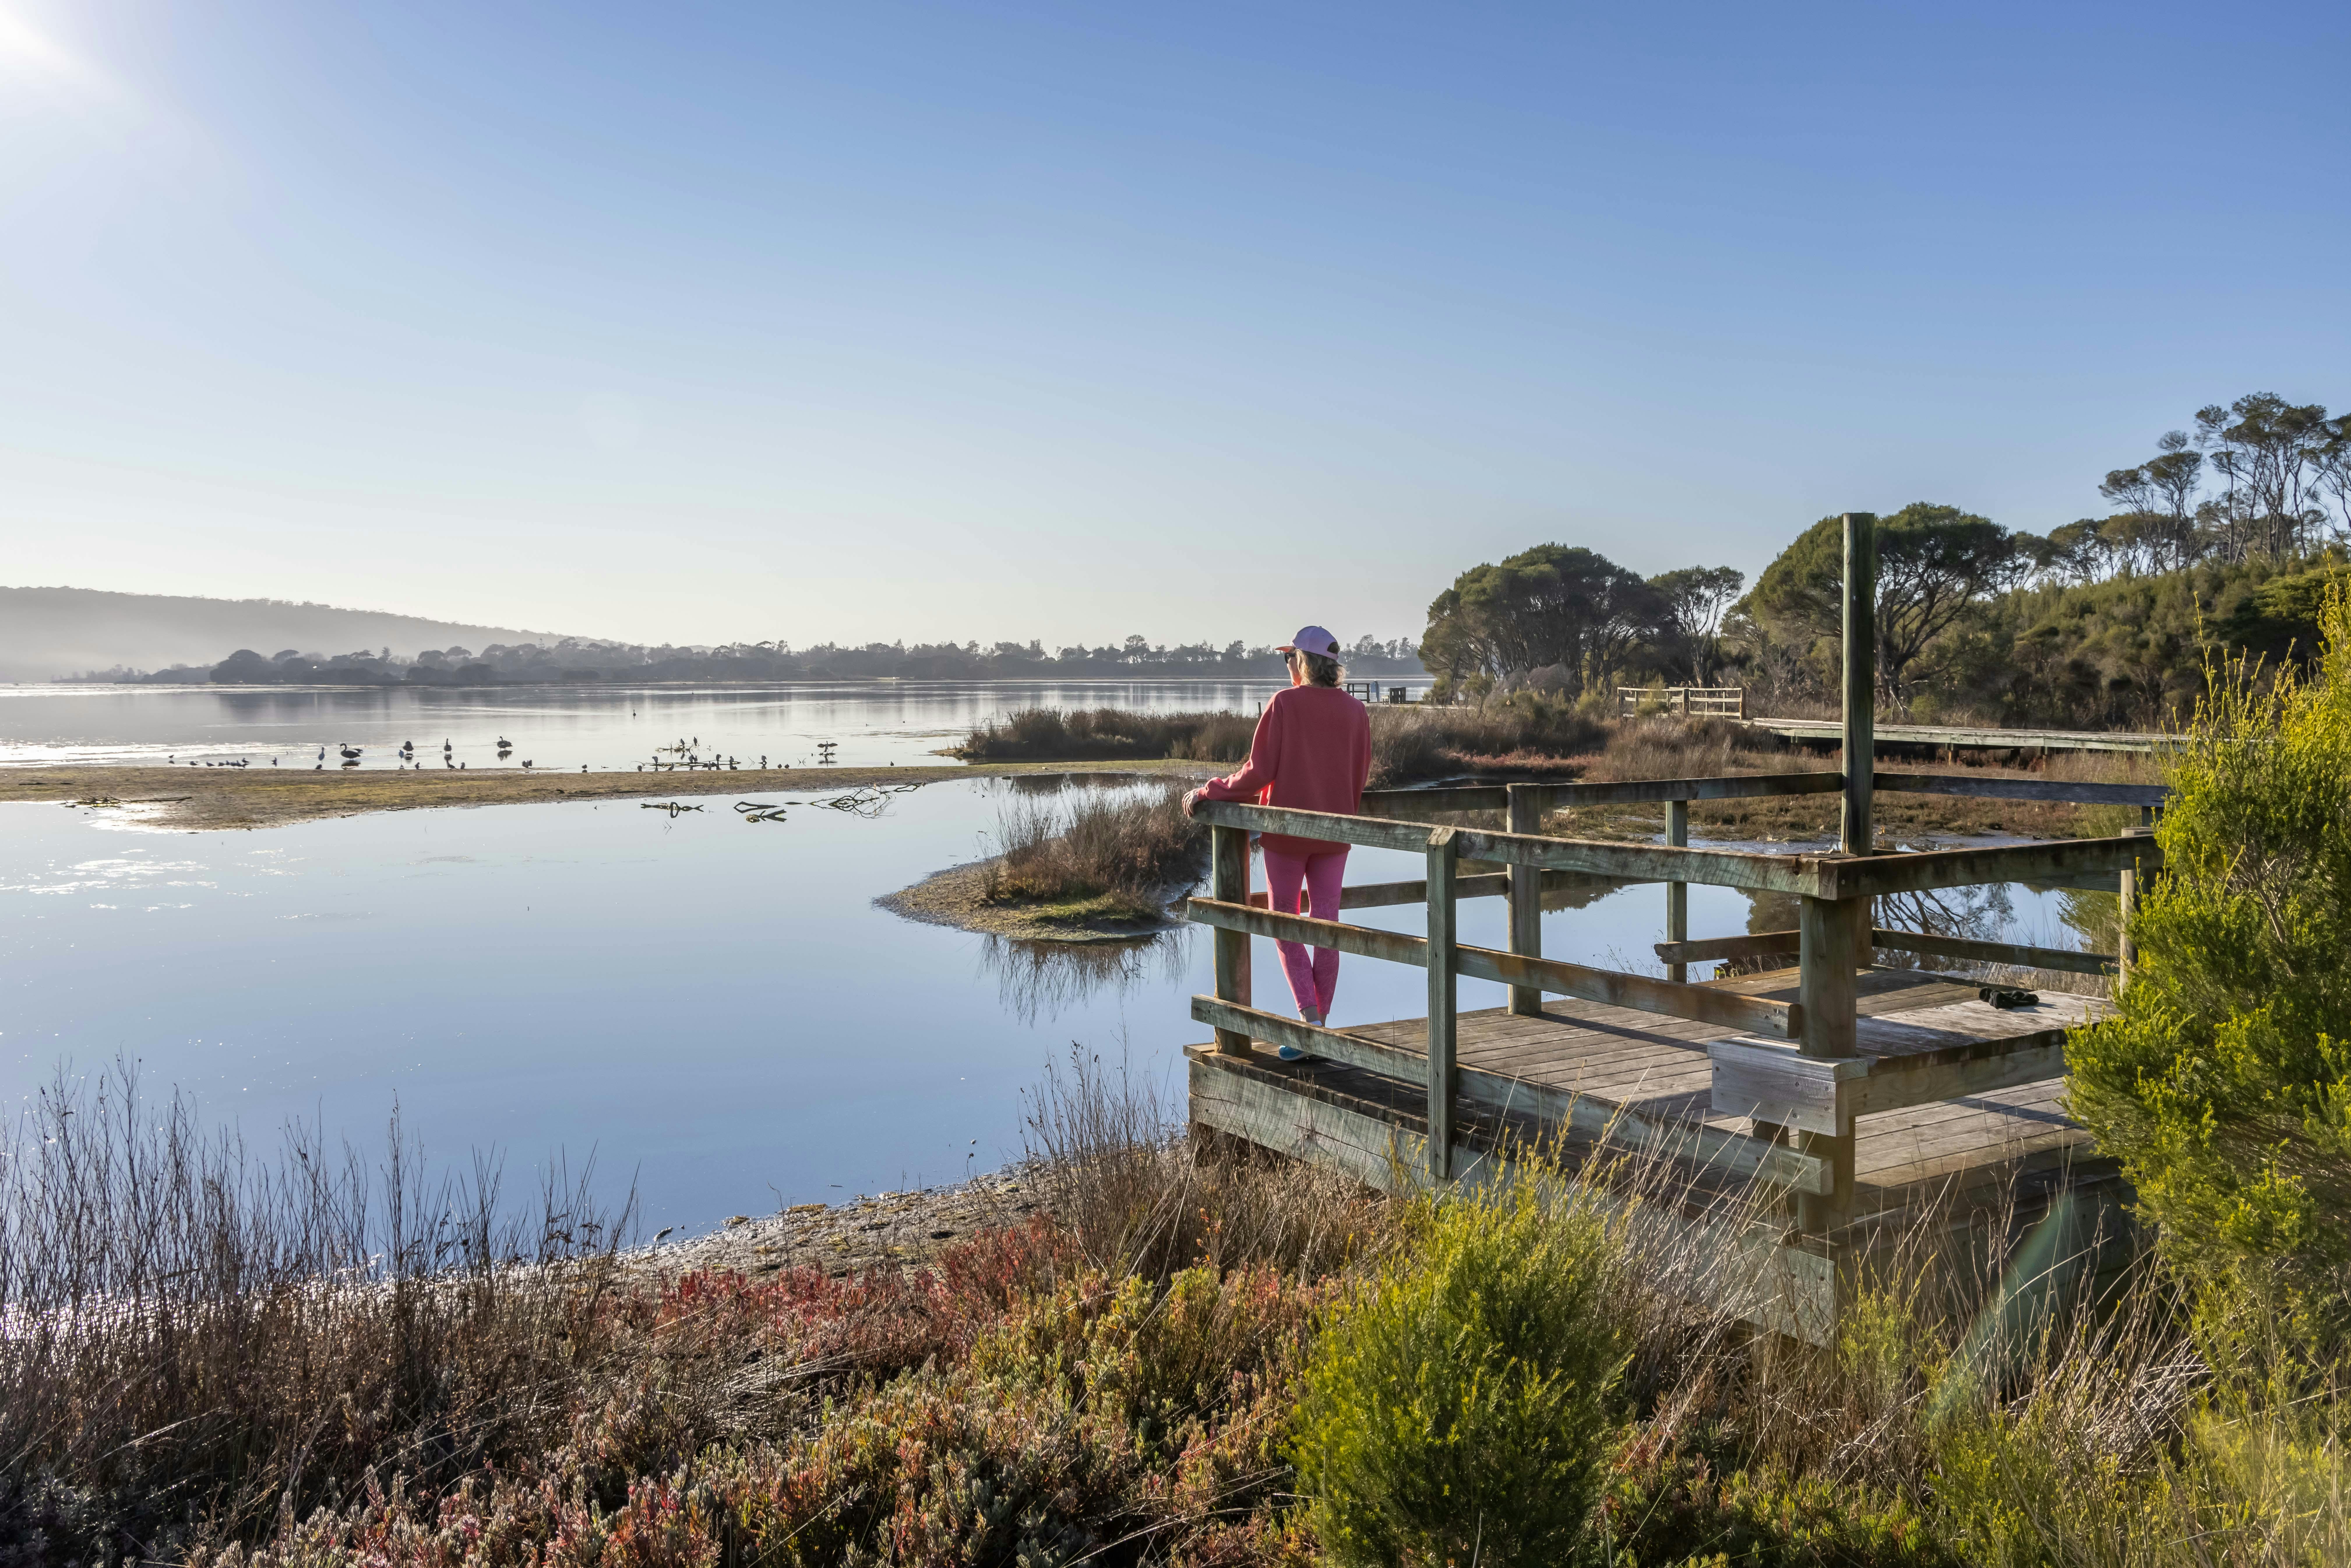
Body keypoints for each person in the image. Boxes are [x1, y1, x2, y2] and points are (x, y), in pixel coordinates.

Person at [1183, 625, 1371, 1058]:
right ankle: (1319, 1030)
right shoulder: (1355, 711)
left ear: (1302, 662)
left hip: (1286, 836)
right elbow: (1358, 774)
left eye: (1289, 658)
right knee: (1327, 926)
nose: (1287, 665)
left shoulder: (1284, 703)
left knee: (1284, 924)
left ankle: (1310, 1021)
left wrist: (1210, 790)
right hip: (1336, 835)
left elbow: (1259, 770)